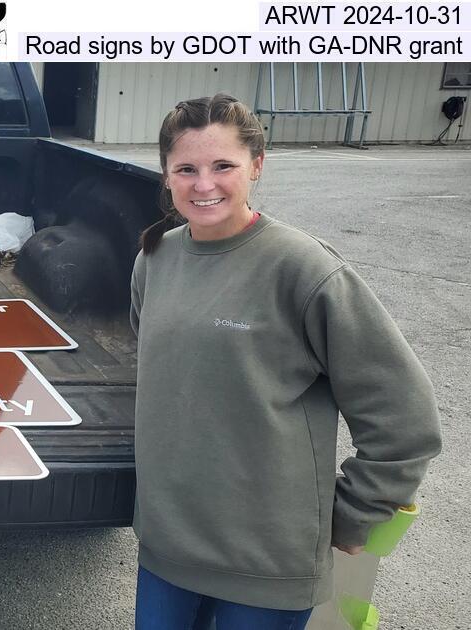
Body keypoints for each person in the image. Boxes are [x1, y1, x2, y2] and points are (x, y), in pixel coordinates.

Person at [128, 94, 441, 629]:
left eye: (223, 165)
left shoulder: (304, 270)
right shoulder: (155, 258)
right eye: (187, 169)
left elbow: (404, 418)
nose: (204, 185)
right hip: (166, 552)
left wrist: (354, 515)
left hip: (265, 565)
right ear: (166, 176)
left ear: (256, 165)